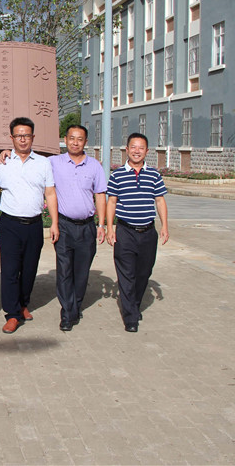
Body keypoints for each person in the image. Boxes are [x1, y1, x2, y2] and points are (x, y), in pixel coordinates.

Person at [0, 117, 58, 334]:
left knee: (29, 269)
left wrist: (54, 223)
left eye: (27, 135)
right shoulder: (1, 163)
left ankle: (23, 304)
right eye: (18, 135)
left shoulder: (43, 163)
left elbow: (50, 193)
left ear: (33, 137)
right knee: (10, 270)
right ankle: (12, 314)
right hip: (10, 224)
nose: (23, 139)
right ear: (11, 138)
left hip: (34, 225)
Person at [106, 133, 169, 333]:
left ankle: (134, 305)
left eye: (141, 148)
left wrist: (165, 226)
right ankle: (131, 317)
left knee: (143, 273)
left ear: (147, 151)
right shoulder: (117, 175)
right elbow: (112, 202)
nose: (137, 151)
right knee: (126, 275)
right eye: (133, 147)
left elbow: (160, 200)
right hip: (125, 232)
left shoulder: (154, 175)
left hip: (148, 232)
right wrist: (109, 228)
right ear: (127, 150)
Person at [49, 125, 107, 331]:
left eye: (80, 139)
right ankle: (67, 312)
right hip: (64, 226)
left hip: (87, 227)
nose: (75, 142)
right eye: (71, 138)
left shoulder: (94, 166)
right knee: (64, 271)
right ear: (65, 139)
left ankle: (75, 305)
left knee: (81, 272)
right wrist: (7, 153)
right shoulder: (53, 162)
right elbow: (30, 159)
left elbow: (100, 195)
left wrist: (101, 224)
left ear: (86, 142)